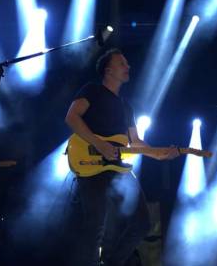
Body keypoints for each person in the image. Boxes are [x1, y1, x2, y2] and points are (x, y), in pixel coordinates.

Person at [65, 48, 179, 266]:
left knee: (143, 223)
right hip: (91, 163)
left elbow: (135, 142)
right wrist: (100, 144)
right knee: (95, 223)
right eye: (122, 63)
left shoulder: (127, 107)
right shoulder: (92, 91)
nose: (128, 67)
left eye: (127, 63)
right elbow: (71, 117)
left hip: (119, 167)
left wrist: (159, 154)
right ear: (108, 70)